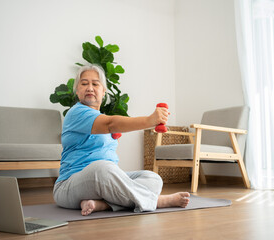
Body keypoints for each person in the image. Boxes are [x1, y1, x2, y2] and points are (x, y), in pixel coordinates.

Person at [53, 64, 190, 216]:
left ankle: (103, 205)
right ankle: (158, 201)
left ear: (103, 91)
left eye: (95, 84)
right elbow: (110, 124)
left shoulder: (100, 117)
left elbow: (106, 126)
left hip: (103, 181)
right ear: (77, 90)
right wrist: (150, 120)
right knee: (103, 169)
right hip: (69, 186)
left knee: (153, 178)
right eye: (84, 84)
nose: (90, 88)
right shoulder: (76, 113)